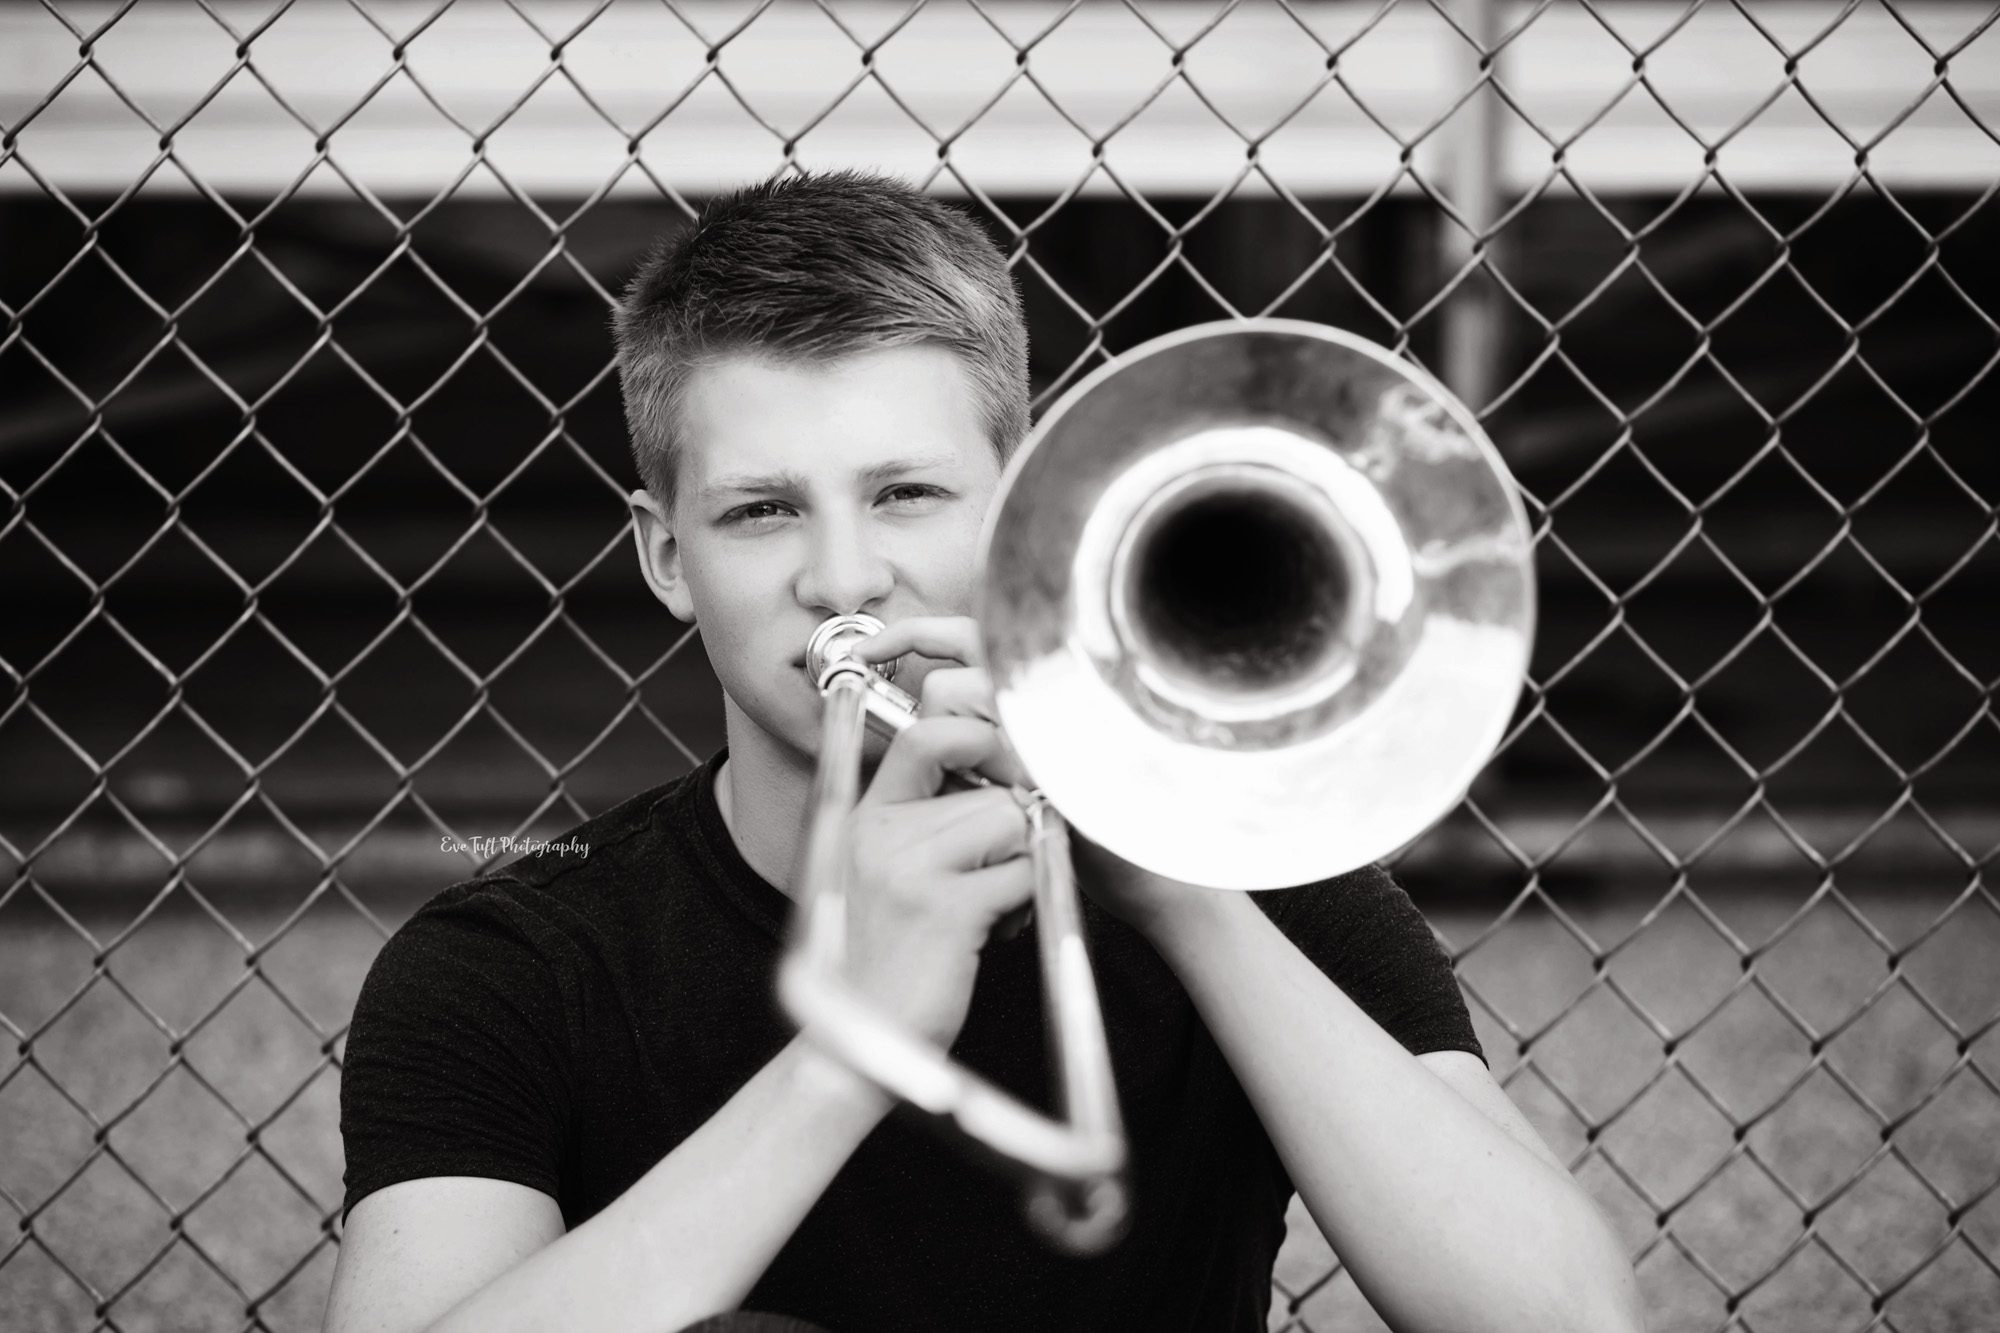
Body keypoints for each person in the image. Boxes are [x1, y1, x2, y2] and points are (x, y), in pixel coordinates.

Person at [323, 170, 1643, 1333]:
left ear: (1023, 503)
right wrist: (845, 1058)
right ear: (669, 556)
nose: (845, 576)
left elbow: (1570, 1317)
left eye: (905, 492)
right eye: (763, 511)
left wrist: (1193, 905)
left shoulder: (1244, 870)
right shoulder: (507, 963)